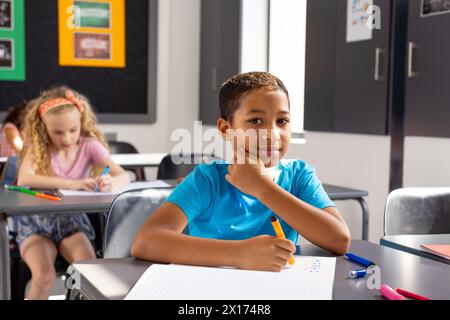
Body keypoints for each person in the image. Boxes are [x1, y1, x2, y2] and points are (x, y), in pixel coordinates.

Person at [131, 72, 350, 272]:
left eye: (282, 121)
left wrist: (263, 188)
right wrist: (238, 254)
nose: (272, 134)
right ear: (226, 129)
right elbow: (146, 242)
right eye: (256, 121)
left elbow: (339, 240)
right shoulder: (207, 180)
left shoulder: (299, 176)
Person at [17, 86, 130, 299]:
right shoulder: (38, 146)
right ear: (44, 128)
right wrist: (73, 183)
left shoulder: (89, 146)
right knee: (44, 275)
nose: (67, 138)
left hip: (73, 223)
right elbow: (25, 178)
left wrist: (109, 182)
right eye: (57, 132)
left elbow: (123, 176)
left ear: (81, 124)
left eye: (73, 130)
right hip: (37, 226)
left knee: (89, 274)